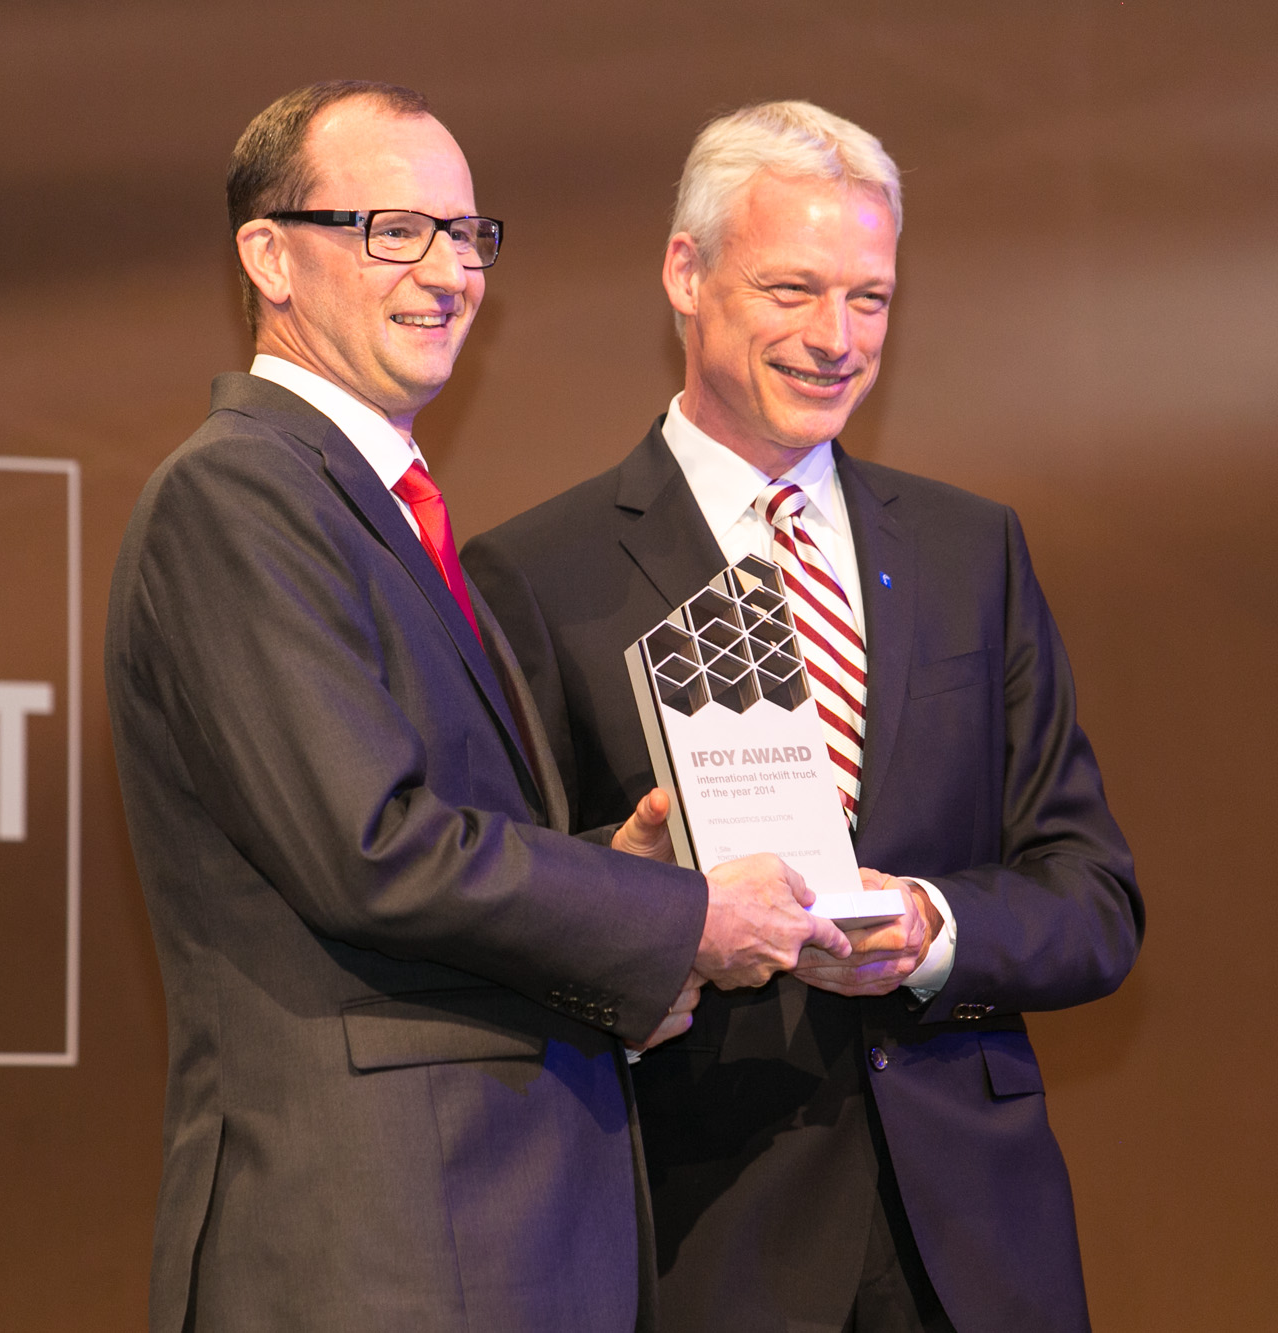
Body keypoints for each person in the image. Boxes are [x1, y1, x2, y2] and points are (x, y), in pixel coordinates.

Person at [105, 81, 850, 1333]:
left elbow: (428, 838)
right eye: (393, 230)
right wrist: (681, 916)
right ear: (269, 257)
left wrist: (608, 870)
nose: (448, 271)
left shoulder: (381, 505)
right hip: (376, 1246)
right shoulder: (236, 494)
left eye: (465, 234)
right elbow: (372, 851)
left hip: (482, 1236)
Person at [463, 101, 1145, 1332]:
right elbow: (500, 919)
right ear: (685, 273)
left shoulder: (969, 551)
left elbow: (1091, 897)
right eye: (792, 289)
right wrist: (643, 904)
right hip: (710, 1241)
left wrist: (930, 927)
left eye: (868, 298)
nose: (835, 338)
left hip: (977, 1251)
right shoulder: (537, 574)